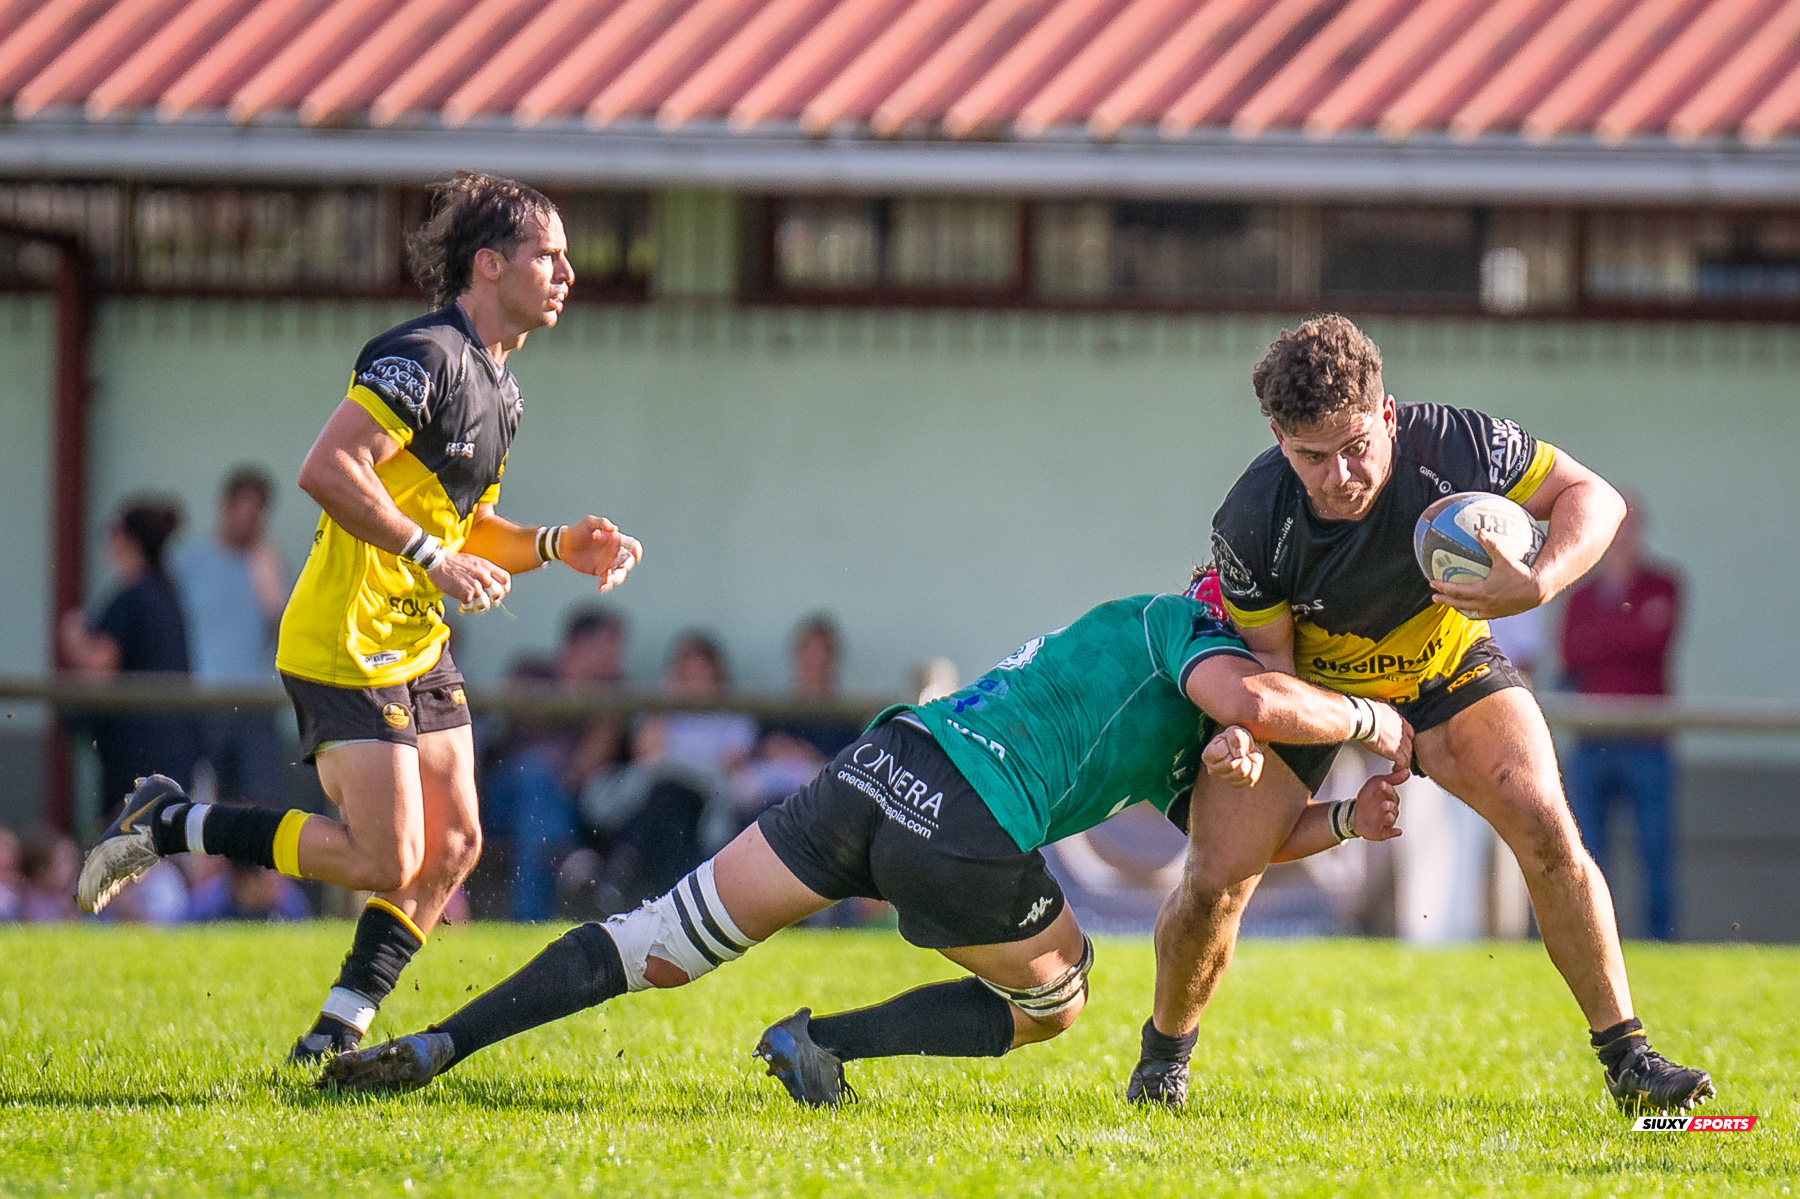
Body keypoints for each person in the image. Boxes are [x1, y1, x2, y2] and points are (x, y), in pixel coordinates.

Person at [317, 592, 1409, 1104]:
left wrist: (1349, 820)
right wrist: (1373, 723)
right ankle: (820, 1040)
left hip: (878, 768)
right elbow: (1258, 689)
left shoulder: (1153, 665)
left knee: (661, 935)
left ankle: (439, 1046)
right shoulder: (1189, 628)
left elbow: (1245, 838)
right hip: (966, 824)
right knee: (1062, 999)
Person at [76, 171, 644, 1065]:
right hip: (345, 638)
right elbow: (330, 468)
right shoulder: (422, 355)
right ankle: (169, 822)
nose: (568, 273)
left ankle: (335, 1034)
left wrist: (550, 544)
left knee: (454, 844)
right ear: (489, 264)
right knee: (387, 859)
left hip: (416, 640)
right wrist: (432, 558)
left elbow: (465, 523)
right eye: (550, 254)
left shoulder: (503, 386)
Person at [1133, 315, 1711, 1115]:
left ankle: (1631, 1058)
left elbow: (1594, 498)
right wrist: (1294, 736)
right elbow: (1275, 670)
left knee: (1545, 821)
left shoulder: (1459, 446)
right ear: (1277, 436)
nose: (1340, 474)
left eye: (1356, 445)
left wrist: (1539, 579)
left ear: (1390, 413)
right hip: (1321, 689)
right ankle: (1163, 1058)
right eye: (1311, 456)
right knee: (1214, 877)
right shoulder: (1252, 520)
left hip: (1445, 669)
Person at [1560, 498, 1683, 941]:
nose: (1623, 537)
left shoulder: (1664, 584)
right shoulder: (1581, 595)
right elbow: (1571, 653)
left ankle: (1662, 942)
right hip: (1593, 741)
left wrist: (1605, 633)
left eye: (1631, 527)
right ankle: (1595, 941)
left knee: (1655, 848)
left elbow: (1655, 643)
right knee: (1589, 852)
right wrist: (1625, 630)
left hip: (1647, 739)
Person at [483, 606, 631, 920]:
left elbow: (583, 770)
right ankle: (569, 860)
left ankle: (529, 919)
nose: (617, 655)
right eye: (609, 644)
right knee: (534, 773)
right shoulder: (531, 670)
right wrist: (576, 695)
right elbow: (522, 713)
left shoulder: (613, 691)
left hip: (564, 801)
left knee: (538, 805)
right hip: (500, 799)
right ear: (578, 644)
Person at [58, 498, 201, 808]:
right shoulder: (167, 593)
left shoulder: (133, 596)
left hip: (137, 748)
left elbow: (101, 664)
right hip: (173, 743)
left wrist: (73, 637)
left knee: (128, 832)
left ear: (128, 541)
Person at [175, 465, 288, 807]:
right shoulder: (189, 564)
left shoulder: (267, 565)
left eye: (258, 511)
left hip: (256, 703)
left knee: (259, 804)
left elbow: (281, 635)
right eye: (244, 508)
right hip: (203, 703)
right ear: (226, 506)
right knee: (204, 803)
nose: (250, 519)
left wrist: (269, 581)